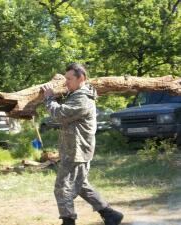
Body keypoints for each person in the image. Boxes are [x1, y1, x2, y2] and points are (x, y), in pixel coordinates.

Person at [41, 63, 123, 225]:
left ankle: (68, 221)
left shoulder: (82, 97)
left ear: (82, 78)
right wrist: (55, 97)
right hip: (74, 149)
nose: (66, 83)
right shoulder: (76, 94)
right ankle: (110, 214)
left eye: (69, 79)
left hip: (77, 150)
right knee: (81, 185)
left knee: (63, 187)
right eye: (65, 79)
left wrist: (49, 97)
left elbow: (61, 114)